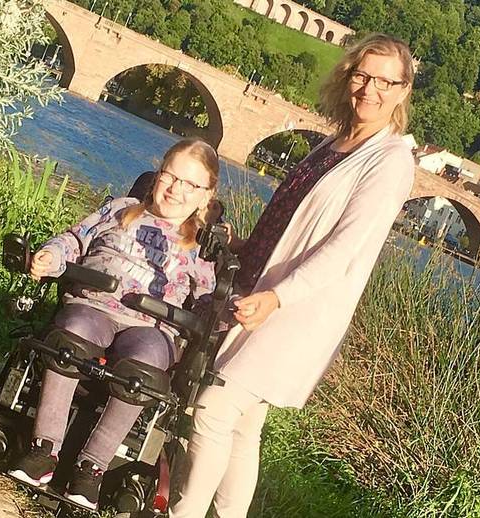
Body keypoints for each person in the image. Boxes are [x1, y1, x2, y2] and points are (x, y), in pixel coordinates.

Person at [170, 33, 416, 517]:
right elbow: (291, 217)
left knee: (214, 411)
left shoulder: (390, 162)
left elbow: (344, 248)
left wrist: (279, 296)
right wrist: (248, 247)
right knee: (242, 426)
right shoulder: (335, 142)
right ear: (349, 76)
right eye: (363, 75)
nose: (371, 89)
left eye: (386, 81)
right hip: (261, 288)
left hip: (296, 308)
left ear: (404, 90)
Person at [8, 138, 221, 510]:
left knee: (148, 362)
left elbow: (207, 303)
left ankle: (92, 469)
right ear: (157, 176)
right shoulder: (121, 210)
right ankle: (44, 450)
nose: (175, 190)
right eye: (170, 177)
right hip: (94, 305)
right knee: (73, 333)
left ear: (206, 196)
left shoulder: (201, 248)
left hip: (152, 327)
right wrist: (50, 257)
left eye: (190, 185)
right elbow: (75, 240)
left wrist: (220, 316)